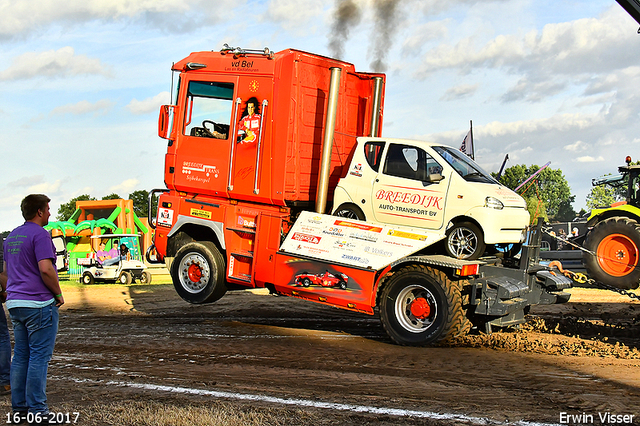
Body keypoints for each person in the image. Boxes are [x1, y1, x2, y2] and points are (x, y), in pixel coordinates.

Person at [0, 194, 64, 425]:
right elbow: (46, 269)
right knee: (38, 357)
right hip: (38, 304)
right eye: (47, 209)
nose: (49, 213)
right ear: (38, 211)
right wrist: (57, 293)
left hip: (16, 305)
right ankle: (38, 410)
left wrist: (14, 295)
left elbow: (6, 274)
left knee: (21, 357)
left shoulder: (11, 237)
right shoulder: (41, 235)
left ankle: (20, 408)